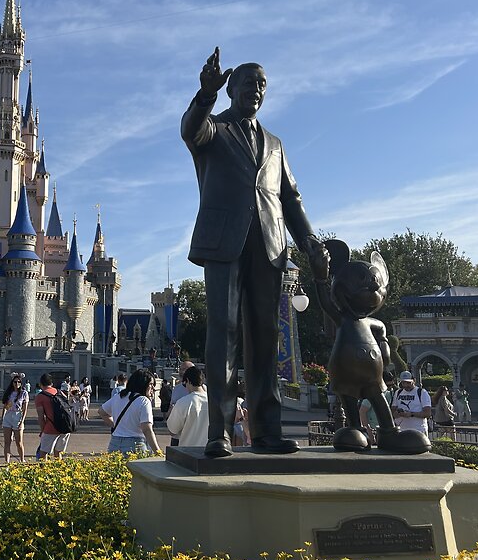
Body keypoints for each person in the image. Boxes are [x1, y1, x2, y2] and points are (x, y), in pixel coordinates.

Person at [181, 48, 325, 458]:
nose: (256, 89)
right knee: (223, 332)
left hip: (270, 244)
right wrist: (203, 94)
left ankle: (267, 430)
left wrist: (310, 242)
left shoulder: (276, 144)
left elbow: (291, 199)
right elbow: (189, 130)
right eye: (249, 82)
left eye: (262, 84)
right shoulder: (213, 129)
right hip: (224, 241)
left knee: (266, 336)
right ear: (231, 88)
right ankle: (219, 433)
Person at [101, 368, 162, 456]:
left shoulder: (118, 396)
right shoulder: (143, 401)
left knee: (116, 469)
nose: (153, 388)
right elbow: (147, 429)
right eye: (151, 384)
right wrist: (158, 452)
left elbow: (102, 412)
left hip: (115, 442)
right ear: (143, 384)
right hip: (135, 444)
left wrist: (117, 425)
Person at [165, 365, 209, 447]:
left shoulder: (183, 402)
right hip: (208, 451)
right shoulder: (213, 402)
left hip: (188, 451)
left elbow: (172, 431)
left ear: (188, 381)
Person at [34, 373, 70, 459]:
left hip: (51, 427)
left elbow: (41, 417)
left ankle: (45, 471)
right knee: (58, 453)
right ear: (52, 383)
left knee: (43, 454)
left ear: (41, 384)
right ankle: (59, 470)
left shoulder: (40, 397)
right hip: (65, 426)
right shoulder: (59, 392)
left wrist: (43, 430)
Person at [1, 376, 29, 462]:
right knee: (7, 442)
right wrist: (2, 418)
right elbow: (5, 407)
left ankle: (22, 460)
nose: (17, 384)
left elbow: (25, 409)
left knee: (19, 442)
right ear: (12, 383)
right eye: (15, 382)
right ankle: (7, 462)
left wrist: (22, 421)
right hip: (8, 416)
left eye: (18, 382)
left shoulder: (24, 393)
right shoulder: (9, 393)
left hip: (18, 417)